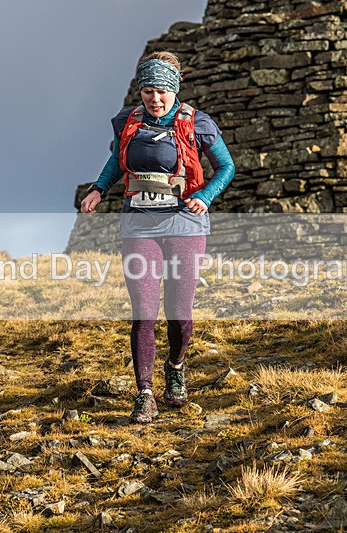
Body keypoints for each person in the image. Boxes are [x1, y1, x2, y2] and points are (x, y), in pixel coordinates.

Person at [80, 51, 235, 423]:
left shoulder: (198, 123)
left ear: (174, 90)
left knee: (179, 314)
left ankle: (176, 367)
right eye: (148, 91)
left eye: (162, 91)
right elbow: (117, 161)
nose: (155, 99)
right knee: (144, 312)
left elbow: (226, 167)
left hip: (185, 224)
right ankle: (145, 394)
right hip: (139, 225)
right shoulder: (127, 121)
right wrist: (98, 189)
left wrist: (205, 196)